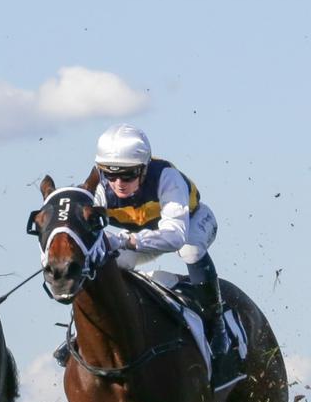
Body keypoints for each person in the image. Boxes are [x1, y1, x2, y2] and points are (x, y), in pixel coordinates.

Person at [60, 124, 232, 385]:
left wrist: (127, 239)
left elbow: (174, 236)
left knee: (190, 250)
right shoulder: (98, 190)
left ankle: (216, 323)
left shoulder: (167, 178)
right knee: (104, 264)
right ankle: (81, 332)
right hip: (139, 236)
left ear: (143, 167)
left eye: (128, 176)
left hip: (192, 224)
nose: (118, 184)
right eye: (110, 175)